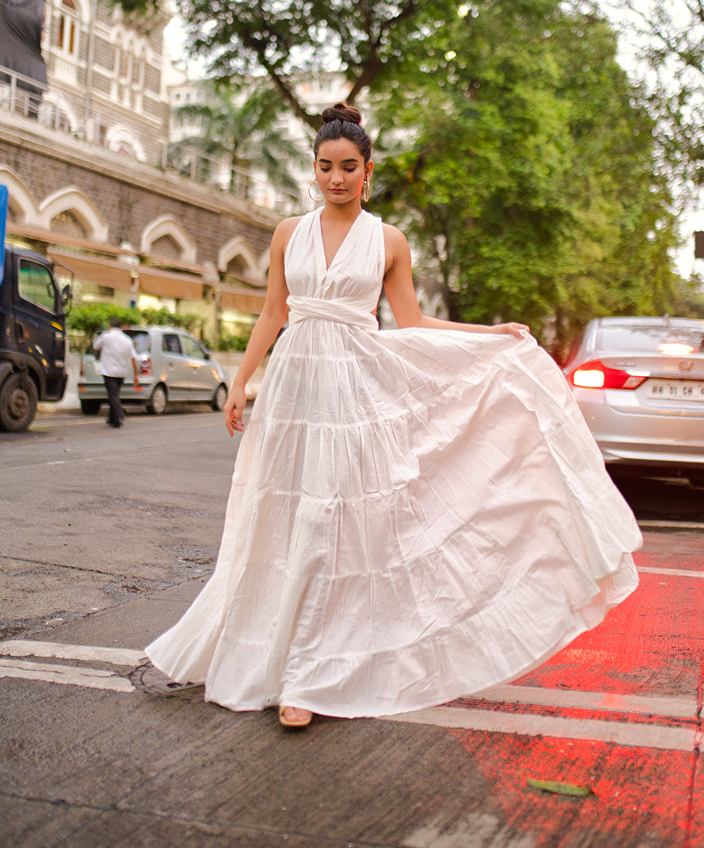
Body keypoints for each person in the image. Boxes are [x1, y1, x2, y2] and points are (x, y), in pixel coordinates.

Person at [147, 102, 642, 729]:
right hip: (294, 388)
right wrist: (241, 382)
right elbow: (273, 313)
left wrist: (488, 334)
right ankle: (263, 657)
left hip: (354, 390)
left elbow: (412, 323)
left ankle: (307, 676)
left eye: (347, 168)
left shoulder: (387, 241)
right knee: (281, 518)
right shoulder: (286, 233)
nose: (335, 179)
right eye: (325, 167)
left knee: (334, 526)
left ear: (368, 171)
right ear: (315, 170)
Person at [93, 317, 139, 428]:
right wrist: (136, 375)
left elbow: (95, 347)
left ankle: (119, 415)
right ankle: (112, 419)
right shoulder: (127, 340)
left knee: (112, 395)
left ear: (110, 326)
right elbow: (133, 358)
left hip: (109, 371)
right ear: (121, 327)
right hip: (121, 372)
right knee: (115, 394)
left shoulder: (106, 336)